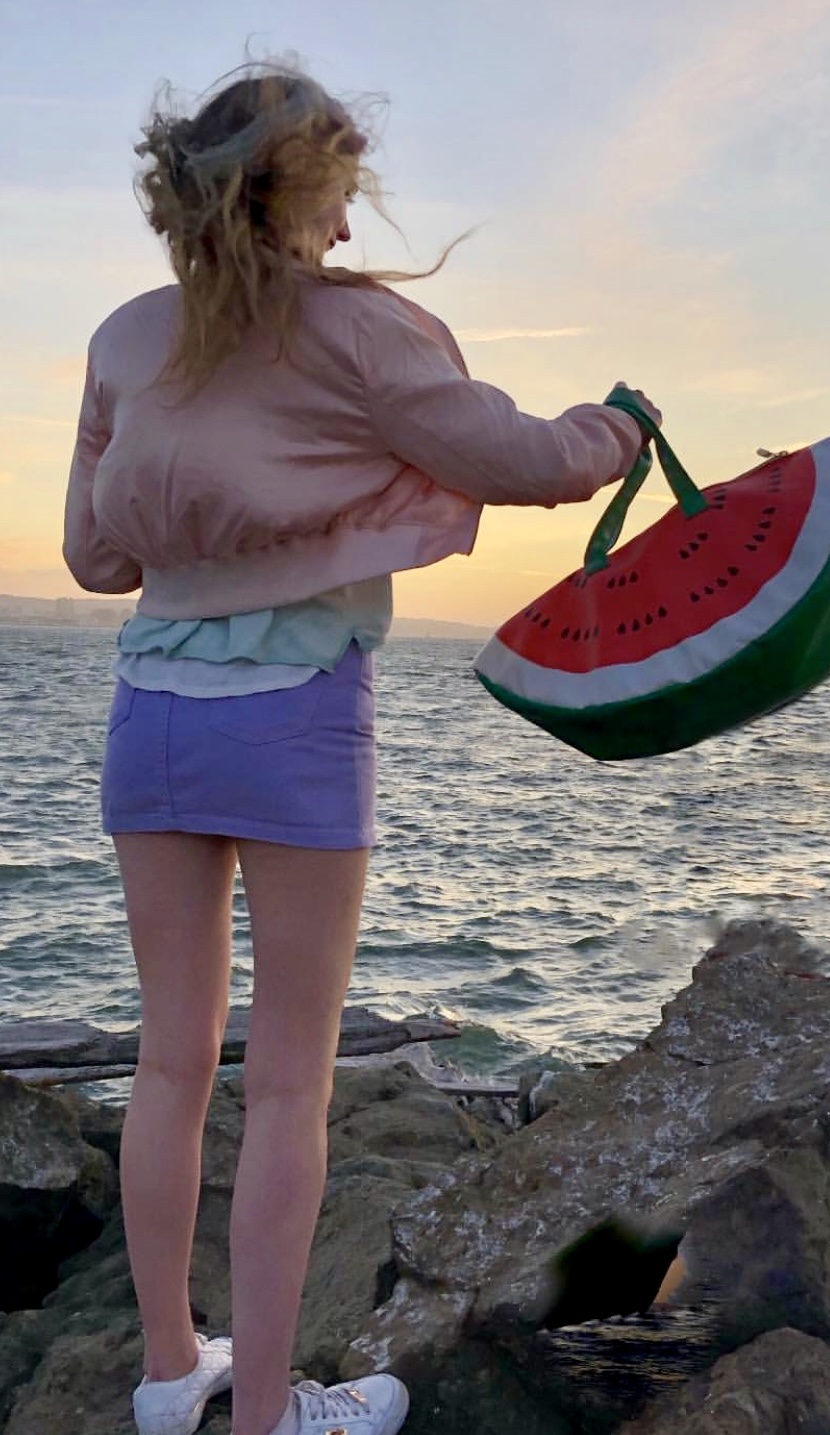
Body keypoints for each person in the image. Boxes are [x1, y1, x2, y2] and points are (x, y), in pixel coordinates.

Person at [62, 60, 660, 1435]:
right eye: (337, 204)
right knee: (287, 1084)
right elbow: (527, 456)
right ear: (302, 196)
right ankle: (269, 1415)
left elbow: (94, 556)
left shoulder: (122, 339)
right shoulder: (364, 335)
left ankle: (171, 1380)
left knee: (166, 1063)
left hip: (149, 715)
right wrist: (619, 431)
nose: (345, 237)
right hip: (296, 717)